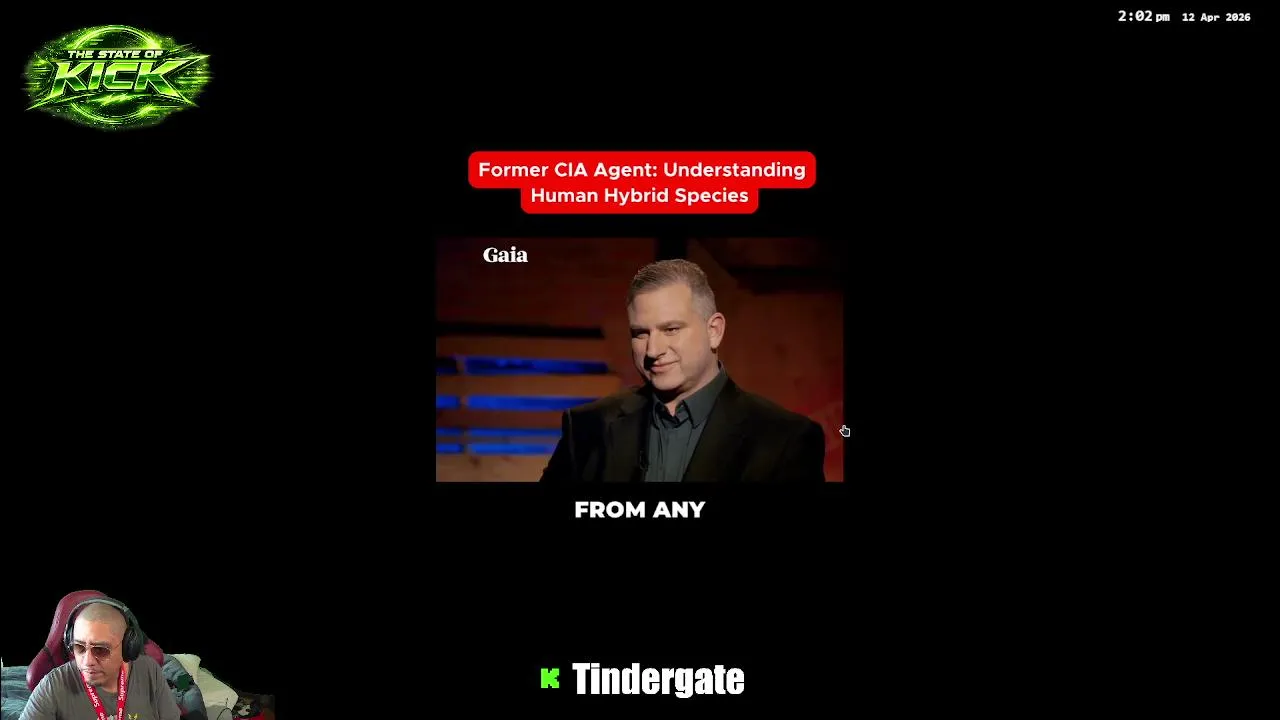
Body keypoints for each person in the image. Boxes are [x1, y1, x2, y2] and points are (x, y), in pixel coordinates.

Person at [540, 258, 826, 482]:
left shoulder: (785, 439)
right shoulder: (587, 428)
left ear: (714, 331)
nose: (653, 350)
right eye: (640, 333)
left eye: (671, 329)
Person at [19, 598, 181, 720]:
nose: (87, 661)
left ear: (127, 647)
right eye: (79, 647)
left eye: (100, 650)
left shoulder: (149, 671)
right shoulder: (52, 686)